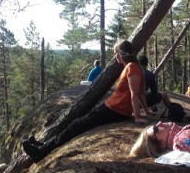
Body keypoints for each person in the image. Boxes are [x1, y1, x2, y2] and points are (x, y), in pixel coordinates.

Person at [23, 40, 155, 163]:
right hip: (112, 107)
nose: (115, 57)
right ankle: (44, 145)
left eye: (116, 53)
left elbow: (134, 93)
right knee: (77, 123)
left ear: (122, 54)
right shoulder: (133, 66)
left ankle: (41, 152)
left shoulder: (131, 67)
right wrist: (147, 111)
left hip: (115, 110)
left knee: (76, 125)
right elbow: (140, 93)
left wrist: (137, 117)